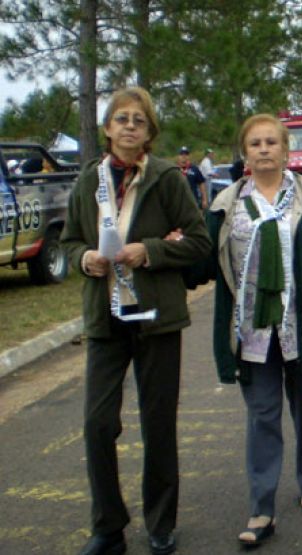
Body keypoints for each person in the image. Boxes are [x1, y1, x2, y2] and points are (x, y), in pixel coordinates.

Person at [194, 113, 302, 548]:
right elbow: (204, 263)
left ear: (286, 151)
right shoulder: (224, 205)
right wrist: (178, 246)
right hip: (250, 330)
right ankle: (261, 507)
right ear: (245, 154)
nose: (264, 149)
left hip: (301, 326)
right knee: (262, 415)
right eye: (255, 144)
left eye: (271, 142)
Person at [61, 86, 211, 555]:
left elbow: (199, 240)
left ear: (149, 133)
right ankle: (108, 528)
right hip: (105, 318)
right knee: (98, 424)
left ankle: (161, 524)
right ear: (107, 128)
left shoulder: (166, 178)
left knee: (158, 423)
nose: (129, 126)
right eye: (122, 119)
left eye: (139, 121)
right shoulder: (89, 180)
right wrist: (84, 258)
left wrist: (151, 250)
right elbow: (68, 242)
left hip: (156, 318)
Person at [177, 146, 208, 210]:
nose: (184, 156)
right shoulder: (175, 169)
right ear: (178, 156)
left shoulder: (194, 169)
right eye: (181, 154)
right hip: (179, 202)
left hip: (193, 201)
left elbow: (201, 184)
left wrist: (204, 200)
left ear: (188, 156)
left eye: (186, 154)